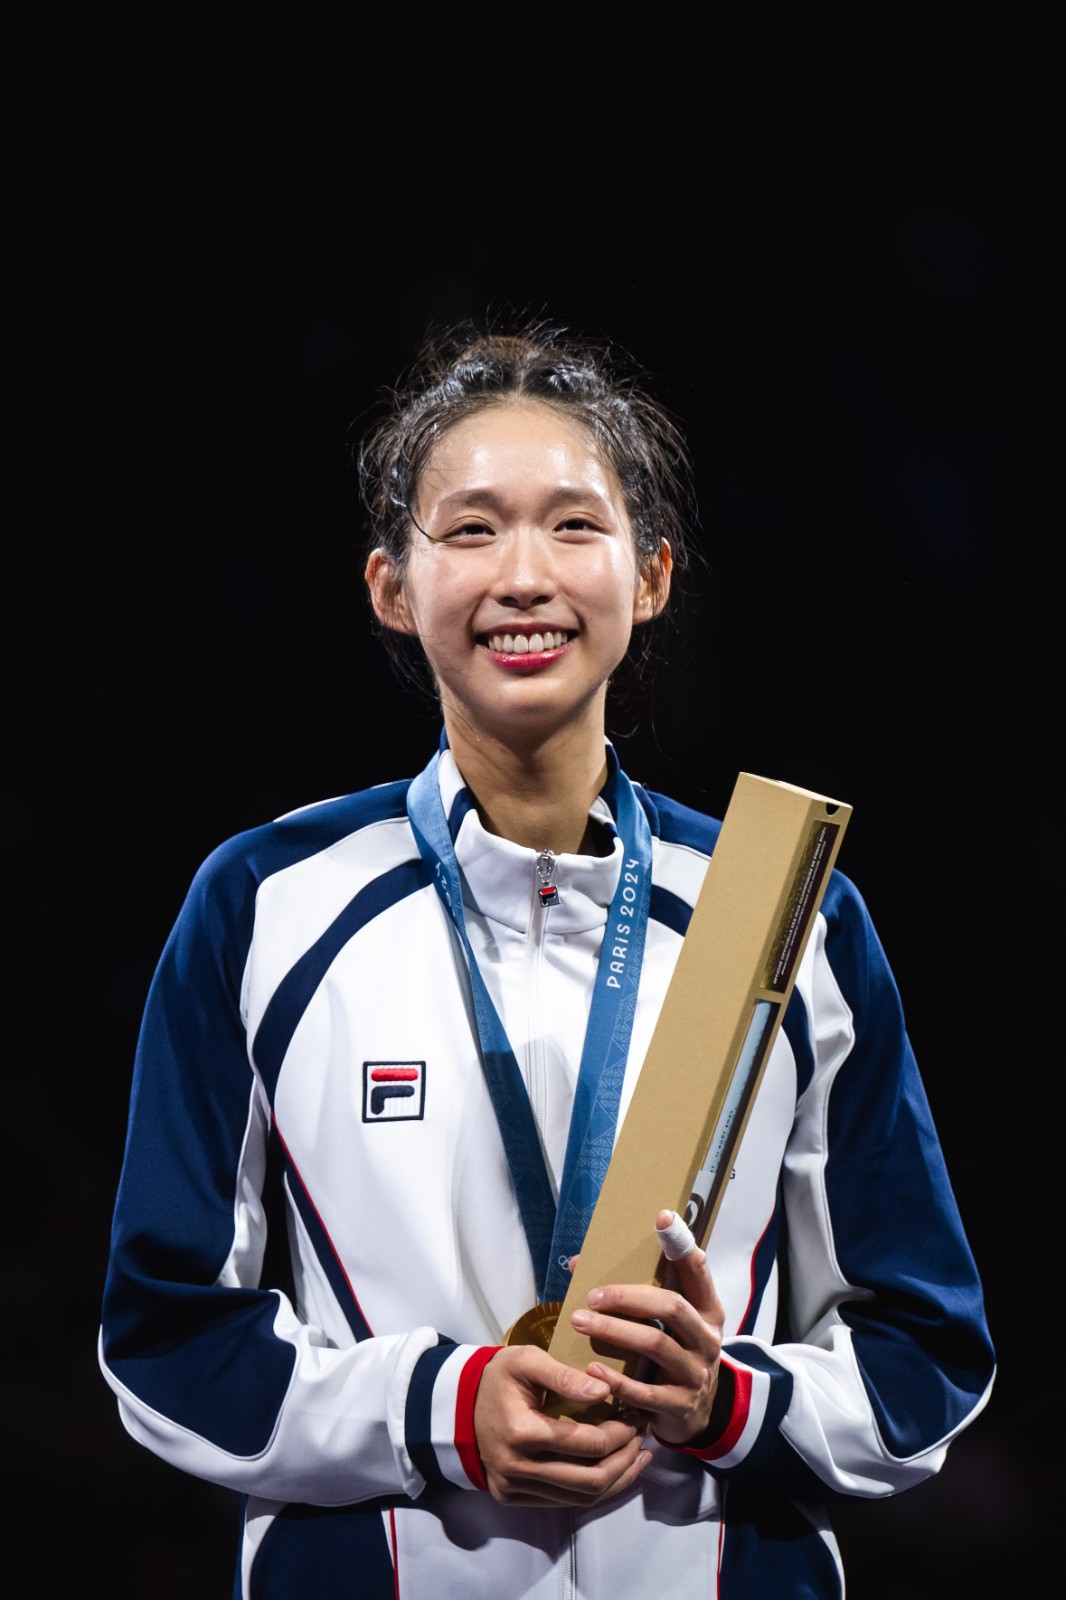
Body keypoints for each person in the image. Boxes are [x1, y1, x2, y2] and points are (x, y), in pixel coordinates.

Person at [98, 319, 995, 1598]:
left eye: (574, 525)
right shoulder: (268, 903)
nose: (523, 575)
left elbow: (925, 1357)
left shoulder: (782, 913)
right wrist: (442, 1410)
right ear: (390, 587)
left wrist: (724, 1400)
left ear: (651, 575)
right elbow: (165, 1340)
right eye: (470, 530)